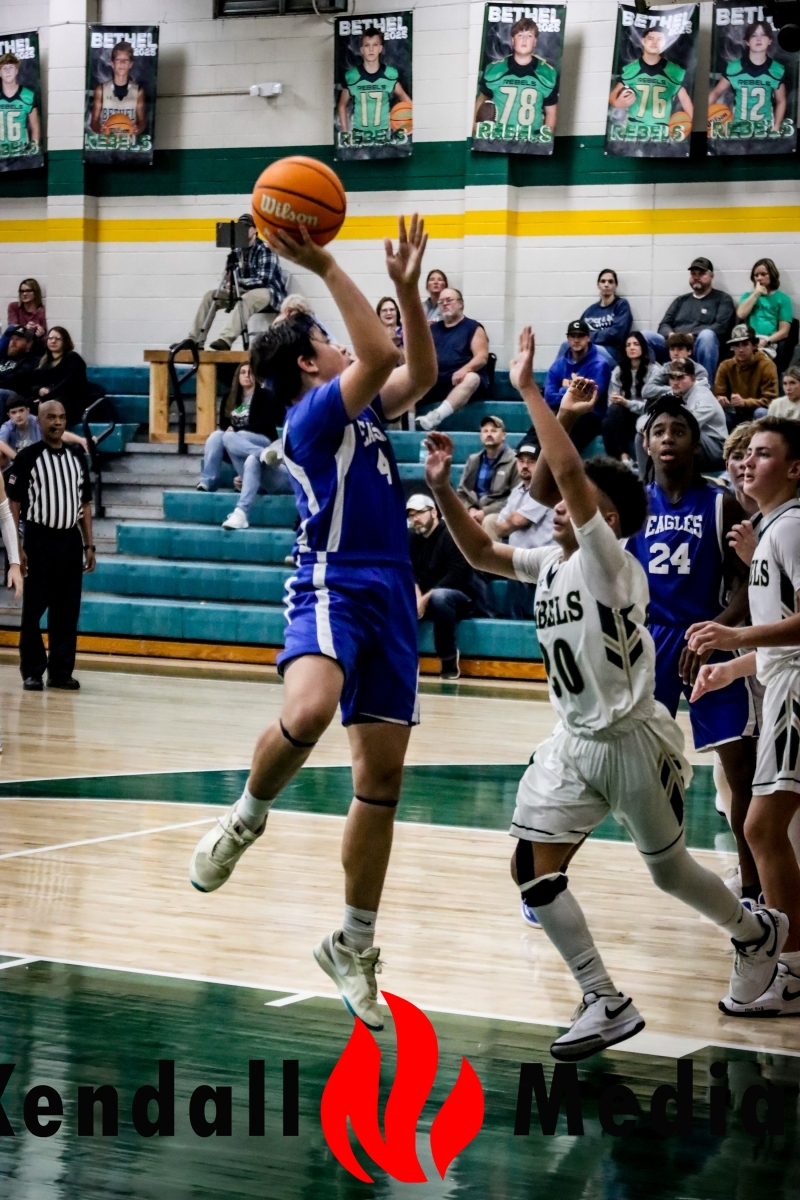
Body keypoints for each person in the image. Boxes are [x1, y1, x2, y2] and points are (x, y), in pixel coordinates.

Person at [424, 335, 785, 1058]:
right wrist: (440, 488)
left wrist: (533, 392)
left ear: (607, 518)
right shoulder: (549, 564)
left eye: (576, 499)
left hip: (631, 739)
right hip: (574, 742)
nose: (560, 503)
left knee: (670, 872)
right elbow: (482, 552)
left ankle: (755, 934)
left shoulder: (609, 562)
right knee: (531, 869)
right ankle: (603, 998)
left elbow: (565, 470)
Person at [188, 215, 437, 1032]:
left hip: (391, 590)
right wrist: (327, 265)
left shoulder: (360, 411)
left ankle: (352, 944)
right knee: (310, 707)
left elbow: (418, 370)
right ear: (308, 362)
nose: (338, 346)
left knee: (381, 782)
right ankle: (245, 816)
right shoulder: (313, 418)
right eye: (327, 341)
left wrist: (407, 292)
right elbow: (384, 357)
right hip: (333, 579)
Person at [627, 396, 761, 907]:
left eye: (678, 430)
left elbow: (749, 582)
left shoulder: (722, 503)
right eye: (658, 430)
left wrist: (718, 630)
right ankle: (550, 873)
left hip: (711, 636)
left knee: (738, 768)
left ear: (694, 442)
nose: (667, 437)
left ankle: (753, 887)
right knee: (616, 758)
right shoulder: (632, 504)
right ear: (646, 443)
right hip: (650, 639)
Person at [689, 417, 800, 1016]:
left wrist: (732, 635)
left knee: (761, 828)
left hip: (796, 691)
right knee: (766, 828)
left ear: (795, 469)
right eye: (745, 453)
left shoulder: (792, 527)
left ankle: (793, 971)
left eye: (763, 453)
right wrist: (732, 667)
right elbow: (780, 638)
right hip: (782, 683)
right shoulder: (772, 529)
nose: (747, 461)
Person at [6, 399, 95, 691]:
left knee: (68, 609)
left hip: (70, 539)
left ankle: (60, 671)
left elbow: (85, 504)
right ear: (39, 421)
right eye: (51, 417)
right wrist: (18, 546)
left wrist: (89, 545)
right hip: (39, 539)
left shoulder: (76, 457)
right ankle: (32, 670)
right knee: (33, 609)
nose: (57, 422)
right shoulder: (28, 457)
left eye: (62, 417)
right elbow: (14, 503)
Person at [407, 493, 483, 680]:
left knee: (440, 597)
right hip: (425, 596)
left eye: (419, 513)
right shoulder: (411, 537)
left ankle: (448, 658)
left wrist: (424, 599)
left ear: (434, 512)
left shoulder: (452, 534)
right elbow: (408, 569)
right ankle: (400, 660)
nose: (415, 519)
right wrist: (417, 596)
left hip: (460, 596)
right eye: (411, 515)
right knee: (393, 595)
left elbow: (456, 575)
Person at [189, 214, 287, 351]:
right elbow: (230, 277)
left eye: (247, 227)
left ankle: (225, 339)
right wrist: (228, 284)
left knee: (245, 299)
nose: (243, 230)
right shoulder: (236, 251)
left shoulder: (265, 249)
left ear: (255, 230)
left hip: (269, 292)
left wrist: (238, 283)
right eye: (240, 227)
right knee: (210, 296)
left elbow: (263, 280)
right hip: (244, 291)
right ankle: (194, 341)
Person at [197, 362, 282, 493]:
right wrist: (229, 430)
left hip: (262, 439)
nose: (246, 375)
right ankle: (208, 481)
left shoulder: (266, 396)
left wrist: (235, 431)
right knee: (215, 436)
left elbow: (263, 423)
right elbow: (224, 423)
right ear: (238, 376)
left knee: (237, 436)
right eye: (243, 372)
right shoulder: (229, 397)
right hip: (234, 440)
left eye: (250, 372)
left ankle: (249, 478)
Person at [474, 16, 558, 145]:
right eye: (520, 35)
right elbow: (481, 100)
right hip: (498, 139)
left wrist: (544, 141)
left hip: (531, 141)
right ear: (513, 40)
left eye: (529, 36)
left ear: (535, 41)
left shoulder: (548, 74)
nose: (524, 39)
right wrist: (475, 128)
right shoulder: (494, 70)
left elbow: (551, 112)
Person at [415, 289, 489, 431]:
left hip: (461, 382)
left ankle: (435, 417)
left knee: (472, 378)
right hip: (437, 381)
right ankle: (407, 427)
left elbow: (482, 357)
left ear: (461, 303)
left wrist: (464, 370)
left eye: (449, 300)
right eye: (441, 302)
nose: (445, 304)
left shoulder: (473, 327)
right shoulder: (433, 329)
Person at [636, 359, 726, 473]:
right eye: (672, 378)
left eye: (680, 378)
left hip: (715, 450)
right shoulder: (672, 394)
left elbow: (687, 424)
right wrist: (646, 429)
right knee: (641, 436)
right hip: (691, 443)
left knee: (681, 433)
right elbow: (645, 417)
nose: (675, 382)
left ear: (693, 379)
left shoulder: (703, 395)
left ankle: (677, 478)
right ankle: (647, 480)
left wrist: (654, 428)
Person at [657, 258, 736, 382]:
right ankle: (656, 385)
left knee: (707, 335)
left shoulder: (722, 299)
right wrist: (671, 335)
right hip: (675, 344)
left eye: (701, 274)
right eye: (693, 274)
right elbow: (664, 324)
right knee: (646, 337)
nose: (696, 277)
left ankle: (705, 386)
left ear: (711, 276)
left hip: (699, 344)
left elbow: (721, 326)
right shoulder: (681, 300)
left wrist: (692, 335)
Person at [609, 28, 693, 143]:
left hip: (662, 133)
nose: (654, 42)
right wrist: (616, 102)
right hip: (634, 132)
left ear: (665, 43)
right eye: (651, 39)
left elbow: (685, 99)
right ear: (643, 41)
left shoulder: (674, 71)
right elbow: (614, 93)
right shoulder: (631, 69)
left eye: (659, 39)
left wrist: (691, 123)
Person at [708, 20, 787, 142]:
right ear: (747, 41)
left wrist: (776, 128)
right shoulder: (734, 68)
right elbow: (716, 92)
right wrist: (704, 117)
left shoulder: (777, 70)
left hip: (763, 132)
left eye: (763, 35)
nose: (758, 39)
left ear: (770, 40)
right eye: (754, 35)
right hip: (738, 131)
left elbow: (781, 100)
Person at [543, 319, 612, 452]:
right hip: (562, 410)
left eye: (580, 336)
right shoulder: (558, 365)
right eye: (572, 336)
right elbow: (549, 397)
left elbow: (588, 398)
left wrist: (562, 390)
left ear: (588, 338)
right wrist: (570, 392)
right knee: (543, 422)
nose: (576, 340)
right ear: (568, 339)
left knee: (561, 443)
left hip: (590, 416)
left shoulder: (600, 365)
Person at [337, 26, 411, 147]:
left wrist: (406, 123)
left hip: (384, 136)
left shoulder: (389, 74)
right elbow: (342, 105)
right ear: (361, 49)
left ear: (380, 48)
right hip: (359, 136)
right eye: (367, 45)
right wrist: (345, 132)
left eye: (375, 45)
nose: (371, 49)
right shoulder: (352, 76)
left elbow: (406, 100)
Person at [485, 442, 555, 549]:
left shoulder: (545, 488)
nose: (525, 466)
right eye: (521, 461)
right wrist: (512, 519)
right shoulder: (516, 491)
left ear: (541, 465)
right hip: (518, 554)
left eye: (531, 461)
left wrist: (512, 518)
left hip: (540, 554)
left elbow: (518, 521)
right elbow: (499, 529)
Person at [602, 331, 657, 463]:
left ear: (642, 347)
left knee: (609, 421)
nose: (632, 348)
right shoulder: (618, 371)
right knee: (607, 420)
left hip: (646, 418)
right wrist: (619, 402)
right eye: (628, 345)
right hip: (623, 420)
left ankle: (622, 460)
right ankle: (622, 461)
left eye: (636, 344)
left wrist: (627, 403)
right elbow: (611, 403)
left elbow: (651, 407)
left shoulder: (655, 371)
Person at [456, 414, 518, 525]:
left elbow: (516, 497)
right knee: (447, 520)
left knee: (488, 521)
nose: (489, 434)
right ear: (481, 436)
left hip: (500, 512)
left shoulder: (514, 461)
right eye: (485, 431)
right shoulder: (473, 460)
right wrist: (470, 508)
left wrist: (486, 511)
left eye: (494, 431)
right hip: (473, 511)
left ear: (503, 436)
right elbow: (461, 492)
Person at [714, 323, 778, 429]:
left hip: (756, 414)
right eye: (736, 345)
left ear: (754, 345)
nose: (740, 349)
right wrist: (721, 399)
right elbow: (718, 394)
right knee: (716, 412)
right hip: (734, 414)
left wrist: (744, 402)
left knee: (761, 413)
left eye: (745, 344)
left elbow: (771, 401)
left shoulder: (767, 365)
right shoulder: (725, 366)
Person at [0, 393, 86, 470]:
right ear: (9, 415)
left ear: (28, 411)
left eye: (21, 410)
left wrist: (81, 440)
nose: (18, 415)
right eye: (14, 413)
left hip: (39, 461)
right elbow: (1, 443)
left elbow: (58, 432)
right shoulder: (7, 426)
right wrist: (19, 458)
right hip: (19, 464)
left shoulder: (37, 421)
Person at [26, 327, 89, 427]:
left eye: (58, 339)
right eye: (50, 338)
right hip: (49, 397)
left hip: (71, 400)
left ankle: (50, 434)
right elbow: (32, 383)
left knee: (52, 405)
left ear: (65, 341)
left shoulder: (73, 358)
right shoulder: (43, 361)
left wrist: (47, 397)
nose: (53, 341)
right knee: (25, 404)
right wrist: (39, 390)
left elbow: (67, 384)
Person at [736, 259, 793, 361]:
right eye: (756, 275)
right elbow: (741, 314)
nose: (759, 278)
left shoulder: (783, 299)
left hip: (768, 342)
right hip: (748, 341)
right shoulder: (748, 296)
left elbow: (784, 331)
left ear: (772, 275)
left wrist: (767, 340)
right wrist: (756, 293)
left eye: (763, 274)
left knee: (756, 359)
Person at [89, 40, 146, 137]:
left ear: (130, 64)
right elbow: (94, 121)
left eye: (126, 60)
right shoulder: (101, 90)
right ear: (112, 63)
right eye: (118, 60)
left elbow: (142, 121)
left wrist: (138, 129)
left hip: (128, 142)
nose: (122, 63)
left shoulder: (138, 91)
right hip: (106, 141)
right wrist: (99, 128)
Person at [580, 270, 632, 365]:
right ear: (598, 285)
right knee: (567, 345)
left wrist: (589, 337)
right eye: (603, 281)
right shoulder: (590, 311)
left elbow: (617, 334)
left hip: (612, 354)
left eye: (610, 282)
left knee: (582, 348)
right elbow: (579, 333)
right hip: (590, 349)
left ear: (615, 286)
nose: (606, 284)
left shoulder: (621, 305)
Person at [641, 331, 709, 403]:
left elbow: (701, 392)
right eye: (672, 349)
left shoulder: (699, 371)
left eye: (680, 349)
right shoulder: (666, 367)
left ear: (689, 351)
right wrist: (675, 389)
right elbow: (646, 391)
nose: (675, 353)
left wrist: (675, 390)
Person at [0, 52, 41, 163]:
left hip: (20, 155)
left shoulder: (28, 96)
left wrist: (33, 151)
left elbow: (35, 127)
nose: (8, 71)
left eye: (11, 67)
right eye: (4, 68)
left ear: (17, 70)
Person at [0, 326, 38, 400]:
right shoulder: (3, 359)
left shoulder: (31, 361)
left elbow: (13, 380)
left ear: (29, 344)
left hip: (15, 397)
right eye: (11, 339)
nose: (13, 343)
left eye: (18, 339)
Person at [7, 279, 46, 343]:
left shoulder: (42, 311)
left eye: (28, 291)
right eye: (22, 291)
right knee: (9, 331)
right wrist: (25, 329)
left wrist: (41, 333)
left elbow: (45, 335)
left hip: (34, 343)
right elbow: (12, 328)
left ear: (35, 293)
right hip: (16, 341)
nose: (24, 294)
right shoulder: (14, 307)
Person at [376, 296, 404, 361]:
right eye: (384, 310)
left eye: (392, 310)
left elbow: (407, 362)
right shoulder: (374, 334)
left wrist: (396, 343)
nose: (388, 313)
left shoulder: (406, 333)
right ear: (379, 314)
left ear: (397, 313)